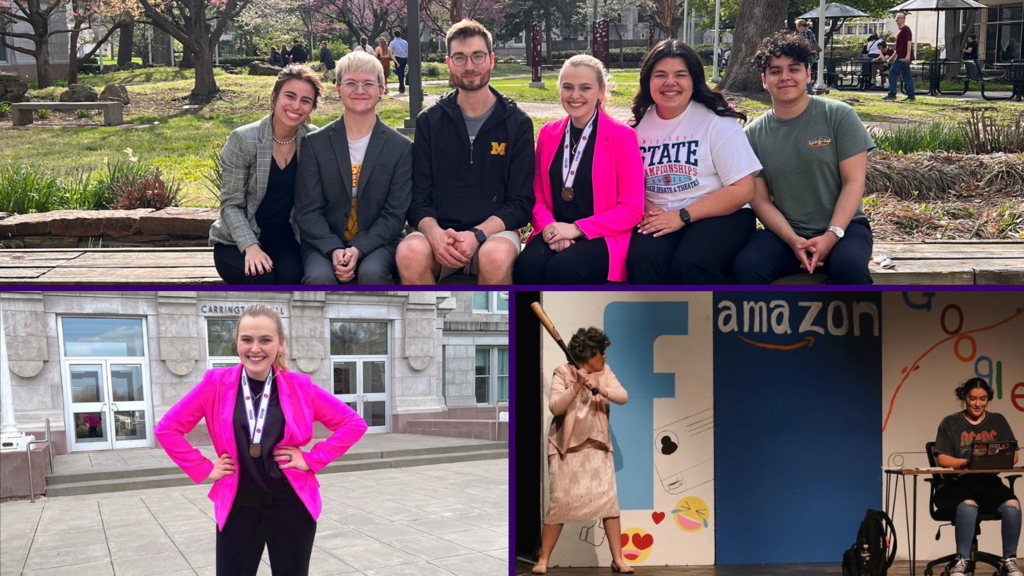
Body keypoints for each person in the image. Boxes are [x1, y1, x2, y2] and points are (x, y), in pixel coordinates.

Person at [155, 304, 368, 576]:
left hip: (291, 507)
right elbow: (167, 429)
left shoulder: (300, 387)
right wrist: (204, 468)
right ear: (237, 343)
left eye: (265, 340)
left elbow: (352, 423)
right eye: (247, 340)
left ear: (280, 344)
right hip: (238, 507)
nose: (255, 349)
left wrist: (311, 459)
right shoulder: (215, 383)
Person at [397, 19, 534, 285]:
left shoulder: (517, 123)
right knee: (409, 252)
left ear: (491, 60)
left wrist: (478, 235)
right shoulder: (429, 122)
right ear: (448, 63)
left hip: (494, 233)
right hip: (439, 231)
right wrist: (435, 235)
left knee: (495, 255)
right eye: (460, 58)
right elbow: (418, 198)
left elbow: (520, 203)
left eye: (477, 56)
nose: (469, 66)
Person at [733, 32, 876, 285]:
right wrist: (793, 240)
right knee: (746, 267)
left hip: (845, 229)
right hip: (786, 234)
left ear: (808, 75)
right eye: (775, 71)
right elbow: (760, 200)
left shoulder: (839, 115)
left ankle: (856, 325)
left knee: (850, 269)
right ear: (765, 81)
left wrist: (831, 235)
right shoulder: (752, 135)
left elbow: (854, 182)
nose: (785, 77)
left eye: (794, 69)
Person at [624, 39, 761, 285]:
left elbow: (743, 190)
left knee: (691, 264)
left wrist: (682, 216)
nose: (670, 83)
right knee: (643, 259)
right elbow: (627, 184)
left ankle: (709, 322)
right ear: (648, 81)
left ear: (693, 81)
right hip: (659, 216)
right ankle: (655, 323)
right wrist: (645, 206)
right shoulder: (635, 129)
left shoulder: (717, 123)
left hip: (720, 215)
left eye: (680, 75)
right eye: (660, 75)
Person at [512, 55, 643, 285]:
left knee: (565, 269)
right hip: (554, 228)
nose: (575, 95)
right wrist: (551, 229)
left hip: (602, 234)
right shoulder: (548, 133)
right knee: (527, 266)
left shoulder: (622, 137)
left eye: (585, 88)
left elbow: (632, 209)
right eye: (568, 87)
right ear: (559, 89)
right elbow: (536, 195)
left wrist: (576, 229)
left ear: (601, 92)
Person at [294, 52, 411, 285]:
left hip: (379, 242)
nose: (360, 90)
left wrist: (359, 249)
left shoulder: (401, 148)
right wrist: (333, 248)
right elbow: (307, 210)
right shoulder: (315, 144)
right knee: (319, 278)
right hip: (323, 241)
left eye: (368, 83)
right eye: (351, 83)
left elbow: (394, 214)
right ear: (338, 88)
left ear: (382, 88)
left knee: (372, 273)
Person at [532, 327, 633, 575]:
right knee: (559, 504)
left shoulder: (605, 372)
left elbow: (623, 396)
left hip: (597, 449)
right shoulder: (563, 372)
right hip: (566, 450)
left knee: (608, 504)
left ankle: (618, 559)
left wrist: (601, 389)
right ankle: (543, 559)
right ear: (589, 354)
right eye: (601, 352)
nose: (605, 357)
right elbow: (555, 408)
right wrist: (576, 385)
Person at [208, 64, 322, 285]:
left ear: (311, 108)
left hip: (283, 237)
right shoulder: (243, 139)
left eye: (305, 101)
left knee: (293, 277)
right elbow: (230, 205)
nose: (296, 106)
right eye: (290, 96)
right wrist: (251, 247)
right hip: (236, 240)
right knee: (262, 277)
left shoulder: (312, 140)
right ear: (274, 97)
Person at [932, 378, 1021, 576]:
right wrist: (963, 463)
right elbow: (942, 458)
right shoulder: (950, 422)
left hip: (988, 483)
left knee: (1013, 505)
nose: (978, 404)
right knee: (968, 504)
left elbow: (1013, 455)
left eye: (982, 399)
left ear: (988, 398)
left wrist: (1001, 458)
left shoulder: (998, 421)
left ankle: (1009, 560)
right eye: (973, 399)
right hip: (956, 485)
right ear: (964, 397)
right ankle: (961, 560)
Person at [883, 13, 915, 102]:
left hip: (903, 57)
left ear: (904, 19)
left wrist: (908, 55)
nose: (897, 20)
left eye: (899, 18)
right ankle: (911, 95)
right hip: (900, 56)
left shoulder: (906, 29)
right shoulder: (899, 30)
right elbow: (898, 48)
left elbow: (909, 42)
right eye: (896, 18)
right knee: (907, 76)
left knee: (892, 74)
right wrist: (892, 57)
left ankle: (892, 94)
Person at [795, 19, 821, 95]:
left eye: (797, 27)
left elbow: (805, 45)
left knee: (806, 73)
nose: (797, 29)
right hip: (813, 55)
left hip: (807, 55)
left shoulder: (804, 33)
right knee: (807, 72)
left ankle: (809, 91)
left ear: (800, 26)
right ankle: (808, 90)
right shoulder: (810, 31)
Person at [389, 29, 409, 94]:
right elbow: (407, 51)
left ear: (394, 35)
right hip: (404, 58)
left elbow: (390, 52)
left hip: (397, 58)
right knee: (402, 72)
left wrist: (394, 60)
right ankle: (402, 86)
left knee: (400, 73)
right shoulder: (405, 42)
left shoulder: (393, 42)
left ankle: (401, 87)